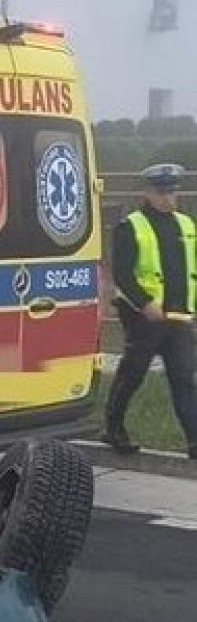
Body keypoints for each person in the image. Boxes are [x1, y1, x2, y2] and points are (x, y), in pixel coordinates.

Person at [103, 162, 197, 458]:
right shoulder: (131, 226)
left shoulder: (186, 224)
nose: (168, 197)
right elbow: (122, 274)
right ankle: (113, 427)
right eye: (161, 192)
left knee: (184, 379)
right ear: (147, 192)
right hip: (144, 319)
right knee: (133, 374)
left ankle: (194, 441)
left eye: (172, 191)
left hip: (179, 317)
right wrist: (145, 303)